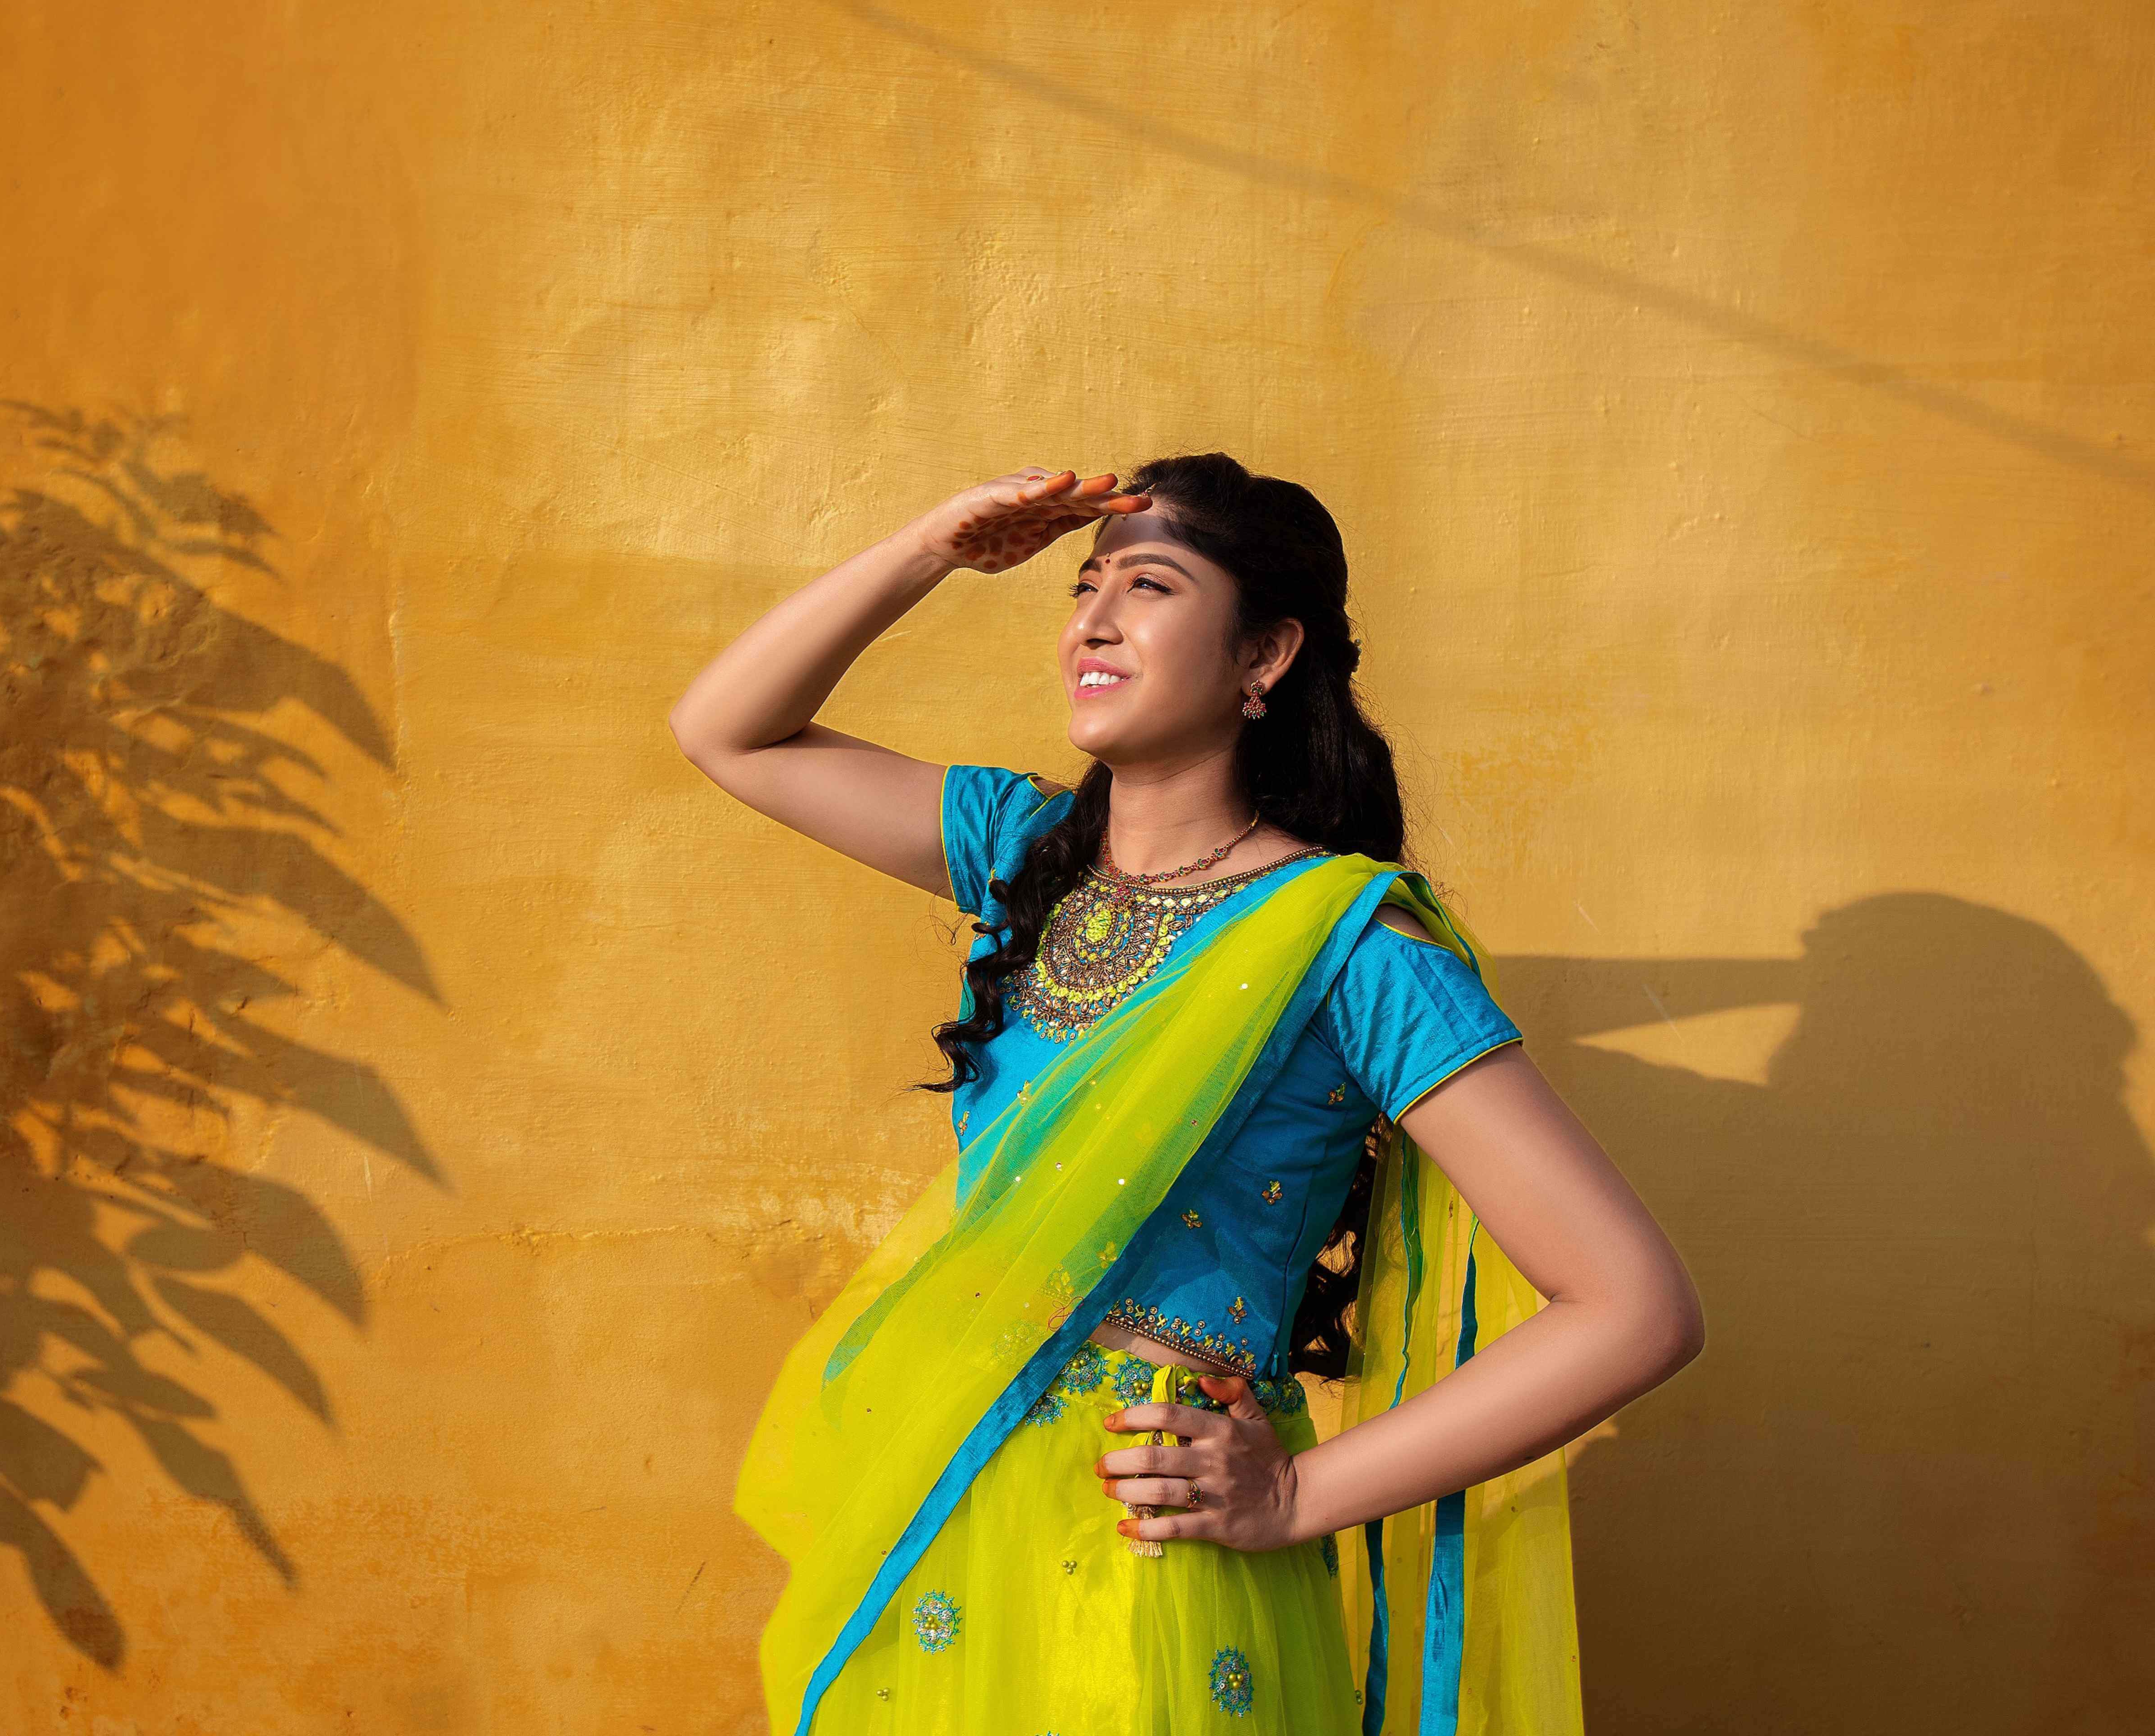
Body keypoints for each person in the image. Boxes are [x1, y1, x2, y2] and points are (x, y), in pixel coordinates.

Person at [669, 455, 1704, 1735]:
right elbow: (725, 729)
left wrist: (1301, 1495)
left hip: (1152, 1545)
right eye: (1083, 587)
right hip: (951, 1511)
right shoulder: (1025, 855)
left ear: (1264, 653)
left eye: (1148, 587)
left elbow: (1635, 1308)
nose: (1093, 623)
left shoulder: (1354, 953)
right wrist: (934, 548)